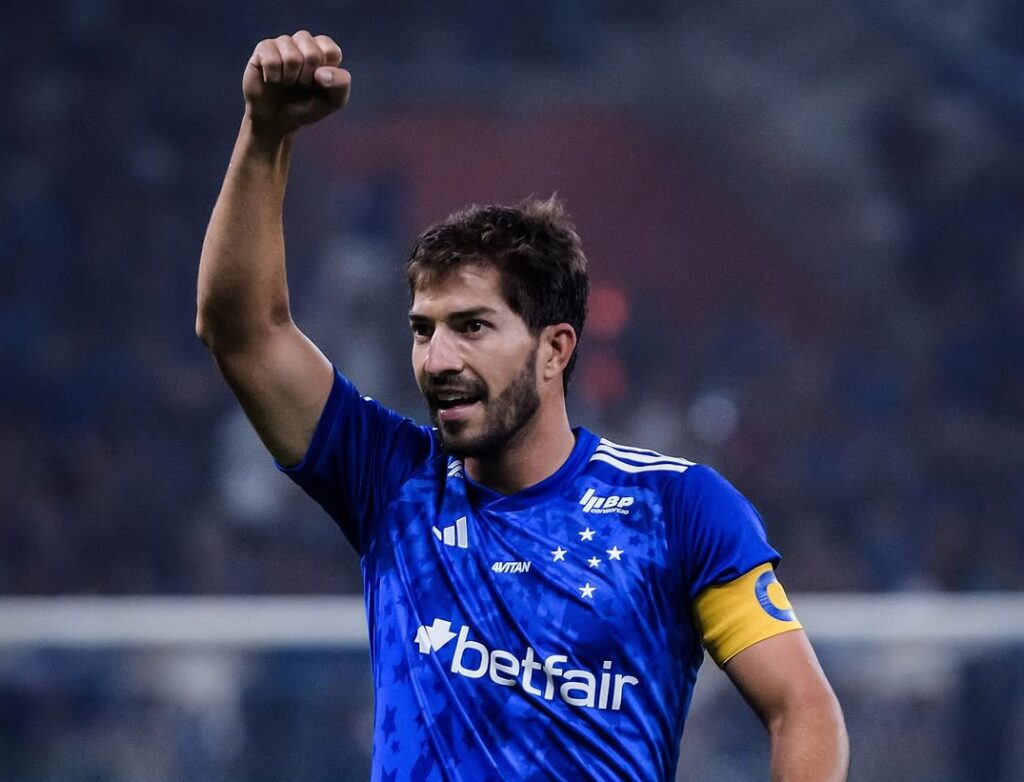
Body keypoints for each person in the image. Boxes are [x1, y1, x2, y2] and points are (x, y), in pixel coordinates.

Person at [196, 30, 849, 782]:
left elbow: (802, 709)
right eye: (424, 330)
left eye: (472, 327)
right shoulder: (392, 482)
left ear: (555, 349)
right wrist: (266, 134)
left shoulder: (678, 509)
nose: (438, 359)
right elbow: (242, 331)